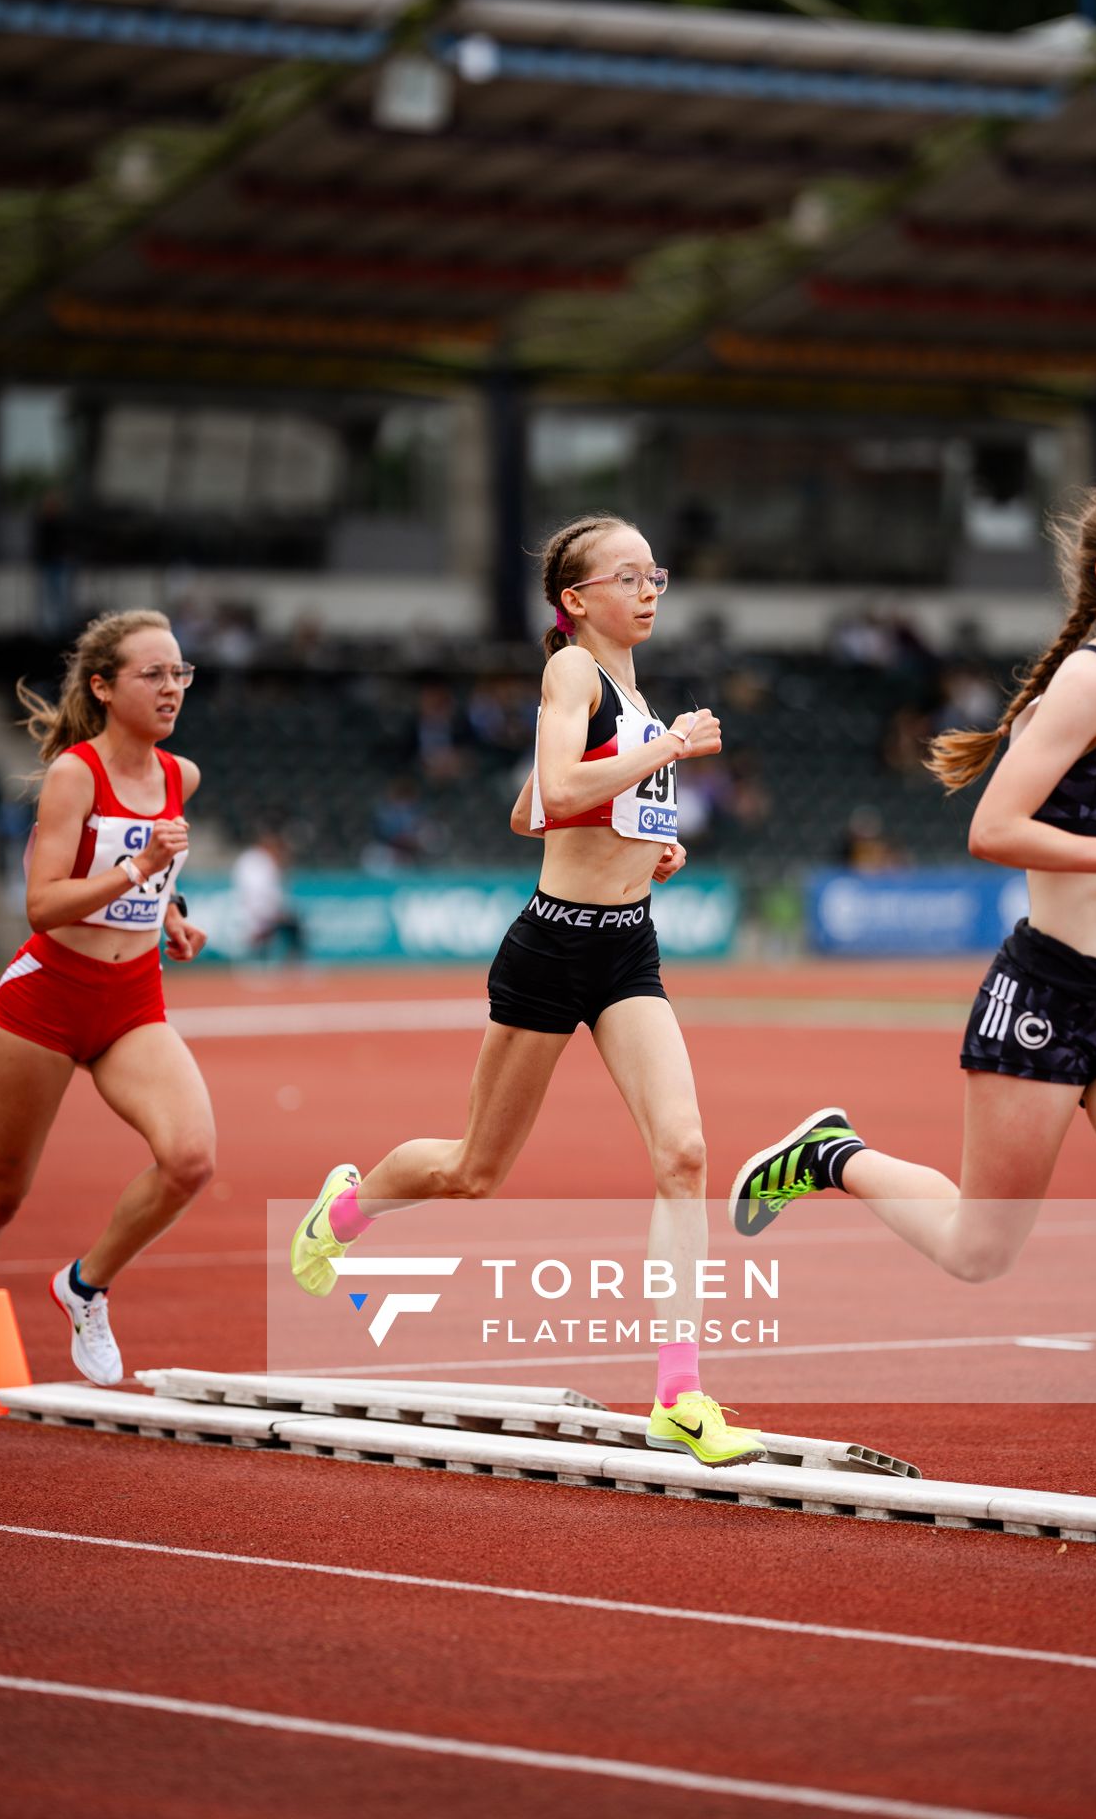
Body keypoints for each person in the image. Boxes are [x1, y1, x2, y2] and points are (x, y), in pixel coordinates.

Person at [730, 481, 1096, 1557]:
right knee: (977, 1251)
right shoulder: (1086, 688)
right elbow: (994, 828)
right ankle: (833, 1157)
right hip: (1045, 997)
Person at [290, 513, 764, 1468]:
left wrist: (648, 838)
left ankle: (679, 1394)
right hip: (551, 951)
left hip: (628, 948)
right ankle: (344, 1210)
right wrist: (666, 752)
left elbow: (528, 812)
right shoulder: (572, 673)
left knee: (684, 1153)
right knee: (474, 1170)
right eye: (628, 576)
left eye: (655, 574)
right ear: (576, 601)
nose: (650, 590)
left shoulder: (628, 690)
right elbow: (550, 785)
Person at [0, 610, 214, 1445]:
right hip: (46, 999)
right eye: (154, 675)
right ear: (103, 687)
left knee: (190, 1158)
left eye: (181, 674)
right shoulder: (76, 774)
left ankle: (85, 1286)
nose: (172, 689)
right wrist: (138, 869)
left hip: (132, 997)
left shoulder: (182, 775)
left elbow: (150, 870)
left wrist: (168, 912)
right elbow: (44, 903)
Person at [232, 828, 306, 960]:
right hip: (257, 913)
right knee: (292, 925)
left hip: (258, 911)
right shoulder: (259, 861)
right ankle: (295, 962)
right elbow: (261, 893)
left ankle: (292, 961)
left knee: (292, 924)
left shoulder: (255, 859)